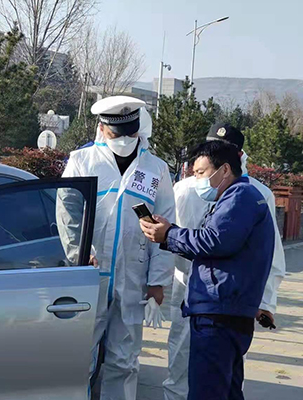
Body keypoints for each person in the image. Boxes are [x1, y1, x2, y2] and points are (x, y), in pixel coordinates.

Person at [57, 96, 175, 400]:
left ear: (138, 130)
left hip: (133, 277)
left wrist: (158, 281)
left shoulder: (156, 169)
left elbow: (165, 225)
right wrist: (79, 254)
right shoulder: (82, 161)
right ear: (101, 128)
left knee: (124, 360)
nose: (123, 140)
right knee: (79, 358)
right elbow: (67, 211)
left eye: (129, 134)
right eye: (115, 134)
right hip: (90, 274)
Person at [140, 141, 275, 400]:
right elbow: (212, 247)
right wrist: (169, 235)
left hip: (219, 312)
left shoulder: (239, 197)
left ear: (225, 169)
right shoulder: (239, 197)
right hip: (226, 309)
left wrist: (170, 234)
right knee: (226, 390)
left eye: (201, 173)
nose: (197, 181)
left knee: (207, 391)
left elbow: (215, 241)